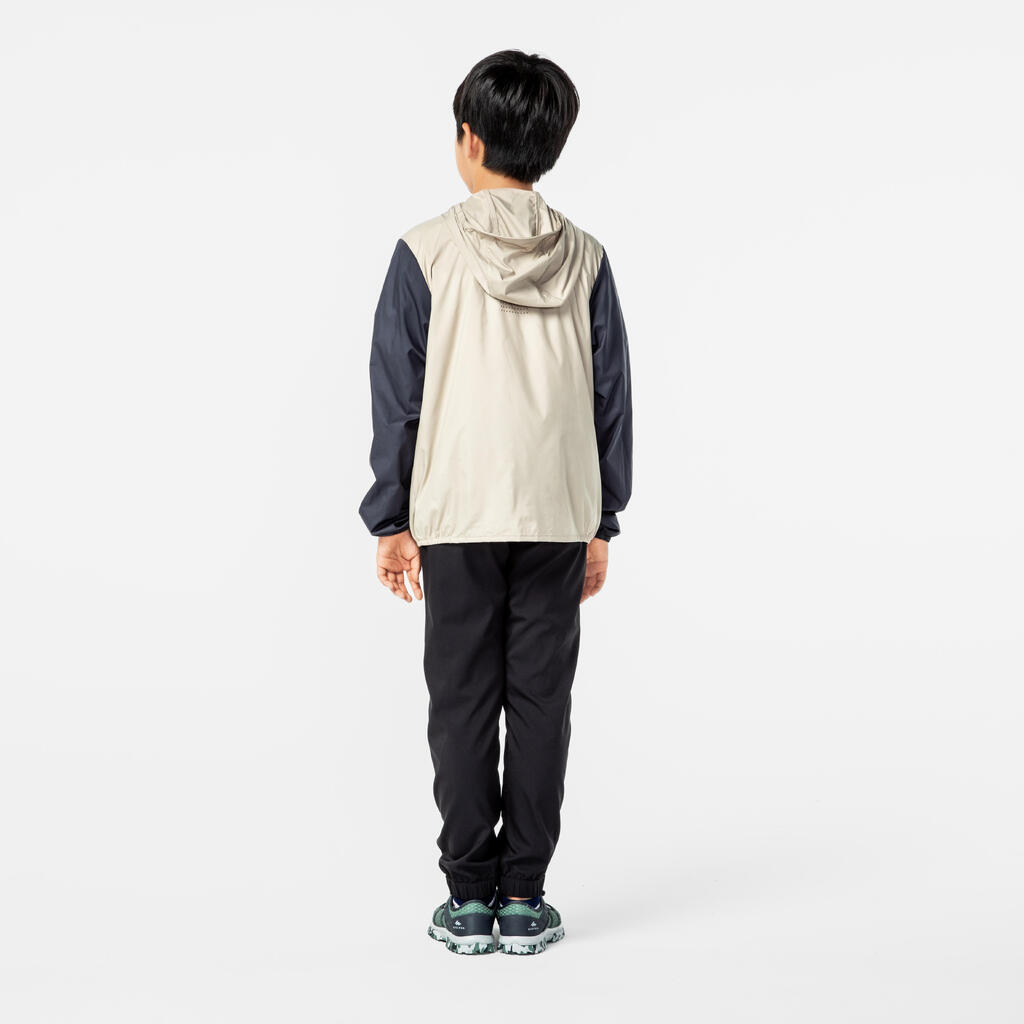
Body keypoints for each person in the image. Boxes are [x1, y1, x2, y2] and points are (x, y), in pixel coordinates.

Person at [357, 48, 633, 955]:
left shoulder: (425, 251)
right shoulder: (585, 257)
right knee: (542, 701)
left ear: (468, 140)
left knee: (463, 701)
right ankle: (524, 900)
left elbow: (398, 395)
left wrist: (391, 517)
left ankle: (468, 900)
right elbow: (610, 398)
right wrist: (603, 519)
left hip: (456, 512)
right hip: (557, 512)